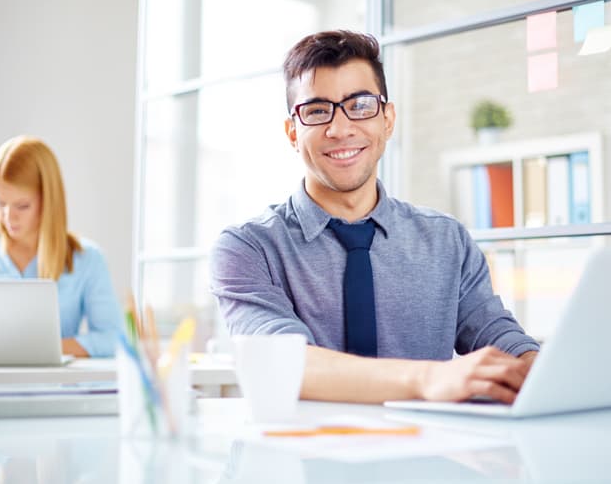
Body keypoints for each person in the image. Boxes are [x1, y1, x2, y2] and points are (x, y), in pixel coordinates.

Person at [210, 30, 540, 404]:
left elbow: (497, 335)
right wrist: (429, 378)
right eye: (317, 111)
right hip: (303, 457)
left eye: (360, 104)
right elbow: (281, 362)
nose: (340, 128)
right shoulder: (249, 248)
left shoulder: (448, 241)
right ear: (292, 132)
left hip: (422, 455)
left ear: (387, 119)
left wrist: (537, 368)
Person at [0, 136, 121, 357]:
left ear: (48, 201)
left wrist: (41, 351)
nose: (8, 216)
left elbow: (111, 338)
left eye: (22, 206)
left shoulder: (87, 259)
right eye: (1, 203)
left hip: (55, 389)